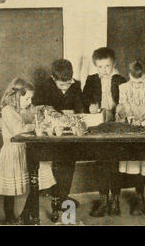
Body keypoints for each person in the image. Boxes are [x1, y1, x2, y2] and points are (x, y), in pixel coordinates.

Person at [0, 79, 55, 224]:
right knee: (11, 189)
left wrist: (42, 117)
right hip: (12, 152)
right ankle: (9, 217)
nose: (29, 101)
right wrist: (35, 125)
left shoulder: (25, 108)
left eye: (31, 98)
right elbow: (19, 130)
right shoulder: (7, 110)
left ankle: (25, 214)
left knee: (36, 181)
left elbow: (35, 114)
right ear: (16, 96)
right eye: (27, 98)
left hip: (25, 150)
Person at [32, 59, 85, 222]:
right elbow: (37, 107)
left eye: (68, 84)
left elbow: (81, 106)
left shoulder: (75, 85)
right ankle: (58, 199)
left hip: (69, 133)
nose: (66, 87)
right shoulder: (44, 86)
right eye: (62, 85)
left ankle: (63, 196)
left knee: (69, 163)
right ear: (54, 79)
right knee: (56, 165)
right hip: (51, 135)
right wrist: (51, 110)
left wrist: (76, 111)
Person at [83, 47, 127, 217]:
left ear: (113, 64)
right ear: (95, 66)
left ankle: (115, 200)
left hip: (115, 125)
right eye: (100, 67)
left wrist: (120, 108)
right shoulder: (91, 79)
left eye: (107, 66)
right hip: (98, 125)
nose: (103, 70)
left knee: (115, 163)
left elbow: (126, 100)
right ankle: (103, 200)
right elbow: (84, 98)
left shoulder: (120, 80)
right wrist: (90, 106)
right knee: (101, 162)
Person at [116, 59, 145, 217]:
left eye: (141, 82)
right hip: (133, 130)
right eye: (134, 82)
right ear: (129, 76)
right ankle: (139, 199)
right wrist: (129, 117)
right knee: (136, 167)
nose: (136, 85)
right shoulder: (123, 87)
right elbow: (123, 106)